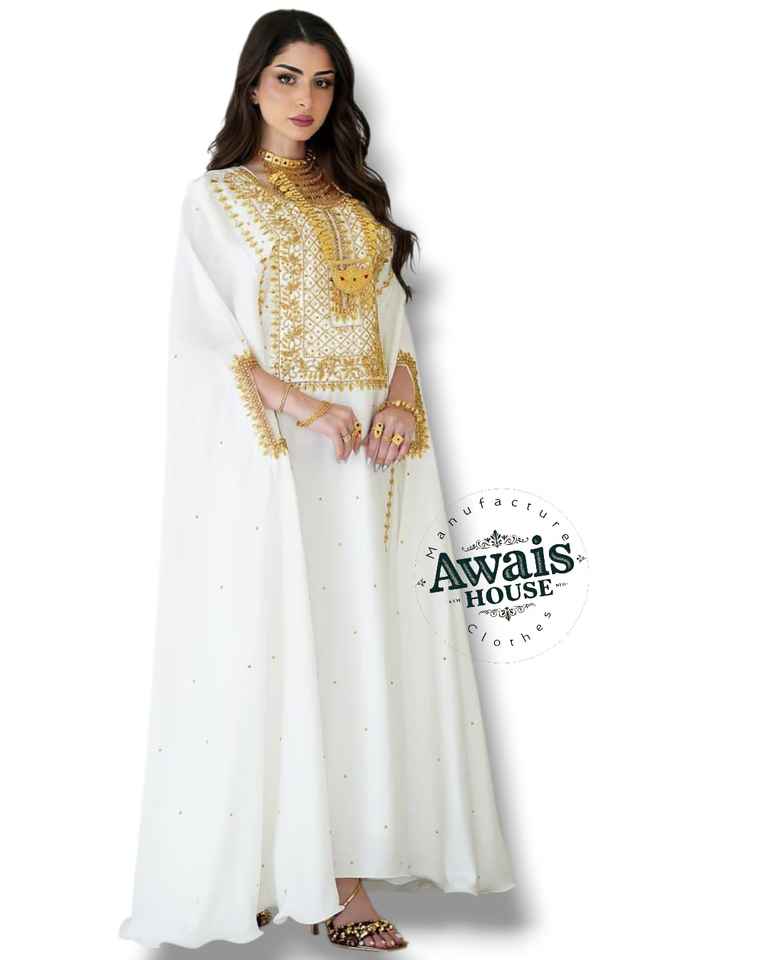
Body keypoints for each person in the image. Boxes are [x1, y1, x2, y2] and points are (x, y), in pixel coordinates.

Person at [118, 9, 515, 952]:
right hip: (274, 461)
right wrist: (303, 406)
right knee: (270, 647)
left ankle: (344, 885)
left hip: (369, 465)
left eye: (324, 82)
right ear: (253, 86)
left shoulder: (355, 205)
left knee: (358, 658)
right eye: (288, 78)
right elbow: (204, 339)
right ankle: (260, 871)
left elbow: (393, 331)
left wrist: (400, 404)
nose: (306, 99)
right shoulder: (216, 200)